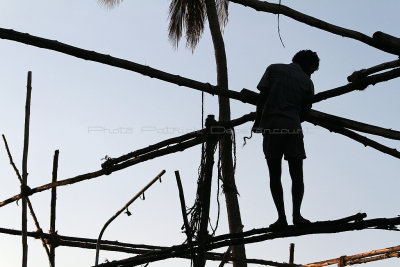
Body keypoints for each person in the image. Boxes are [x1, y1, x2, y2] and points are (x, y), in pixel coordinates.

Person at [252, 50, 320, 228]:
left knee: (275, 175)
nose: (311, 73)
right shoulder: (307, 82)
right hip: (293, 128)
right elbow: (305, 112)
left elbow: (262, 98)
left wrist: (258, 122)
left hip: (272, 126)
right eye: (312, 70)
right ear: (307, 64)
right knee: (297, 175)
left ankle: (281, 218)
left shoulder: (273, 69)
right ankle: (297, 216)